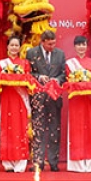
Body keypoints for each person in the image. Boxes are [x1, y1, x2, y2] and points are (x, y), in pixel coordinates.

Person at [26, 29, 66, 172]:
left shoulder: (60, 54)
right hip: (39, 97)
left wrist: (57, 80)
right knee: (38, 129)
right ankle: (38, 162)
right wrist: (38, 77)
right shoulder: (31, 53)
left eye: (54, 43)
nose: (52, 46)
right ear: (42, 42)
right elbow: (27, 72)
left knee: (55, 129)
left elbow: (64, 74)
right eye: (49, 44)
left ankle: (54, 162)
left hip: (54, 97)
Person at [0, 35, 31, 173]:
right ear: (7, 47)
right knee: (7, 128)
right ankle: (8, 163)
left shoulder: (25, 63)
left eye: (16, 45)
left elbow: (29, 81)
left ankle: (20, 162)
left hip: (20, 99)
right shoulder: (2, 64)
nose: (14, 48)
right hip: (7, 98)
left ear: (20, 47)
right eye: (11, 45)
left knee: (20, 128)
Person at [66, 35, 91, 173]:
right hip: (76, 100)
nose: (81, 47)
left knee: (89, 128)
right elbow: (68, 81)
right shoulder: (69, 63)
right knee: (76, 129)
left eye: (83, 44)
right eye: (79, 45)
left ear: (87, 46)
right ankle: (77, 164)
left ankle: (90, 164)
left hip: (89, 99)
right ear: (75, 47)